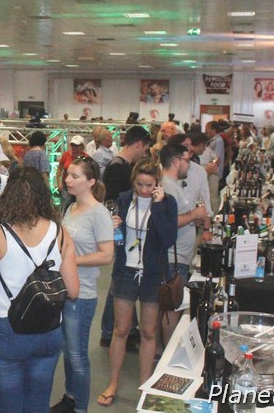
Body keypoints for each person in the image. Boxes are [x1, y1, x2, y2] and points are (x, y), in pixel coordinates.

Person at [0, 167, 79, 413]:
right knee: (38, 404)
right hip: (49, 330)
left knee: (7, 406)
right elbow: (73, 291)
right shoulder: (60, 233)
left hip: (7, 331)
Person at [97, 160, 177, 406]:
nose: (143, 190)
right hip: (125, 272)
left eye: (149, 185)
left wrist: (158, 206)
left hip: (153, 275)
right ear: (133, 181)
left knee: (148, 332)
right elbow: (117, 241)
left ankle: (145, 386)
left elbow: (168, 239)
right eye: (139, 184)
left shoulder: (168, 203)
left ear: (157, 184)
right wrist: (113, 229)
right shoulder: (122, 200)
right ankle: (113, 382)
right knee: (120, 330)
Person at [51, 157, 114, 413]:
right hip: (64, 290)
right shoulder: (70, 208)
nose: (67, 180)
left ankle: (80, 408)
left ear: (91, 182)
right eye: (67, 174)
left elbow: (106, 255)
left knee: (77, 356)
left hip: (83, 295)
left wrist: (70, 261)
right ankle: (70, 397)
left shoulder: (99, 214)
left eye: (75, 176)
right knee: (67, 351)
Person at [98, 126, 152, 348]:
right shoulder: (118, 168)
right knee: (119, 284)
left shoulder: (121, 166)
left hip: (125, 234)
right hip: (122, 232)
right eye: (145, 149)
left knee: (120, 285)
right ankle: (112, 330)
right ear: (138, 144)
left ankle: (123, 328)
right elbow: (114, 205)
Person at [158, 143, 207, 342]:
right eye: (187, 160)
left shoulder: (173, 185)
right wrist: (194, 214)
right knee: (172, 306)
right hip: (173, 256)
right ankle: (168, 349)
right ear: (176, 161)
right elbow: (171, 222)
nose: (190, 164)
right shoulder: (168, 187)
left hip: (180, 255)